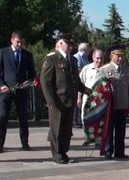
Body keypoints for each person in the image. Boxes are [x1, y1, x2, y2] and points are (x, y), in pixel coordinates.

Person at [40, 34, 92, 164]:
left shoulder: (73, 61)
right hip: (57, 100)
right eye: (67, 44)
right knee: (56, 128)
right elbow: (45, 81)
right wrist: (50, 100)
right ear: (60, 44)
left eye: (71, 44)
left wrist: (87, 90)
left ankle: (63, 151)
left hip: (70, 99)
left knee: (67, 129)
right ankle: (57, 154)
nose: (70, 47)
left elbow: (76, 81)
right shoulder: (52, 59)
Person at [0, 31, 36, 152]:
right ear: (12, 40)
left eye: (22, 42)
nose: (20, 44)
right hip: (6, 90)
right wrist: (1, 85)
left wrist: (29, 82)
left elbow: (32, 73)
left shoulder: (27, 55)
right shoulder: (3, 53)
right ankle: (0, 145)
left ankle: (25, 143)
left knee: (23, 117)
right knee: (3, 116)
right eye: (17, 42)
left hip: (21, 90)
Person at [100, 44, 129, 159]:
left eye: (122, 56)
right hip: (110, 106)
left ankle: (120, 151)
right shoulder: (104, 70)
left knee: (121, 130)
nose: (120, 58)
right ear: (111, 55)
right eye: (118, 56)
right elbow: (100, 88)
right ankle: (108, 151)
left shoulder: (126, 69)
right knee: (109, 130)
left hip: (123, 104)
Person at [79, 49, 104, 144]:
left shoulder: (106, 69)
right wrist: (78, 98)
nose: (99, 60)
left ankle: (98, 140)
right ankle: (87, 139)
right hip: (88, 98)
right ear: (93, 57)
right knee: (85, 118)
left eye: (101, 58)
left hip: (101, 100)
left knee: (100, 119)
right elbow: (80, 84)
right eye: (97, 58)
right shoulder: (86, 69)